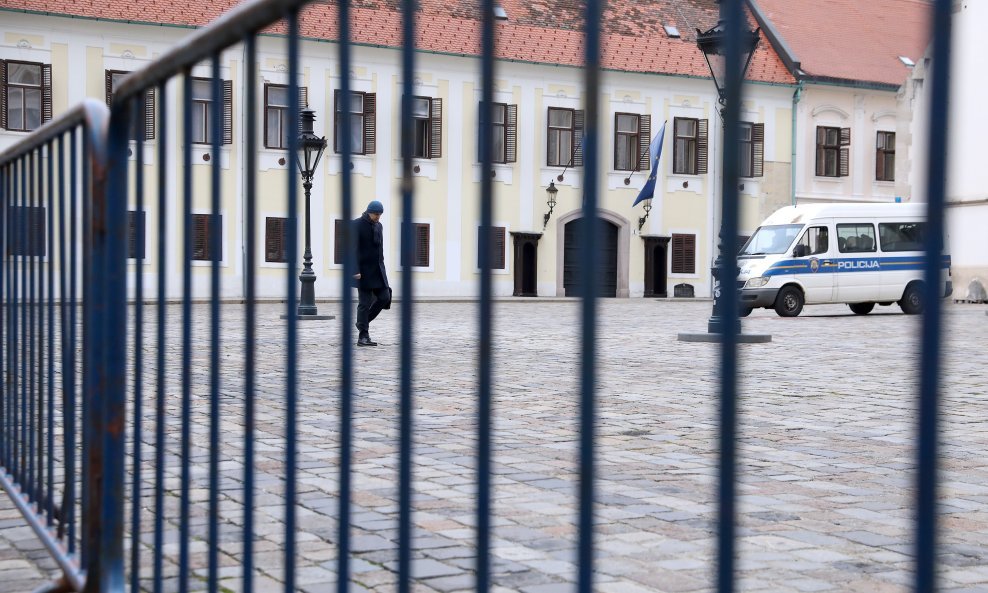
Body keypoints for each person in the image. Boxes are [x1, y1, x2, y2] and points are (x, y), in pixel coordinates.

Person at [353, 200, 391, 347]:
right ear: (369, 211)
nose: (378, 217)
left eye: (380, 214)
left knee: (385, 297)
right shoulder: (356, 225)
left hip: (378, 270)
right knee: (364, 303)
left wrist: (383, 268)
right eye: (376, 214)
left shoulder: (379, 226)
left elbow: (380, 250)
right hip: (362, 271)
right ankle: (363, 336)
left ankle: (362, 322)